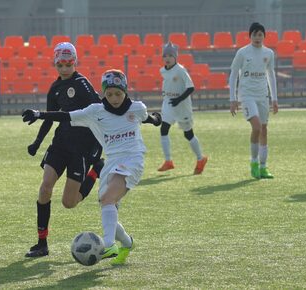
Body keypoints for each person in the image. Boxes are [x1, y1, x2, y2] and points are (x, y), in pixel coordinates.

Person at [23, 69, 162, 265]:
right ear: (104, 92)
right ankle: (127, 243)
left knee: (107, 200)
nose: (114, 98)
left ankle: (108, 245)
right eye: (110, 94)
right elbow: (66, 116)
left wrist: (157, 119)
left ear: (125, 92)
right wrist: (38, 114)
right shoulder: (95, 111)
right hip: (112, 161)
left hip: (132, 159)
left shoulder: (136, 107)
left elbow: (147, 117)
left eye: (118, 94)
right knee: (107, 205)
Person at [24, 42, 105, 258]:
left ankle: (97, 169)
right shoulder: (55, 88)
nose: (65, 67)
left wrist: (98, 145)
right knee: (45, 188)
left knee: (70, 203)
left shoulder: (82, 84)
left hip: (81, 148)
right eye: (60, 63)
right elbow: (50, 117)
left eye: (69, 63)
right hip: (60, 144)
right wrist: (37, 142)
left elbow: (98, 111)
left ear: (75, 62)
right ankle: (42, 243)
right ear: (55, 64)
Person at [229, 22, 278, 179]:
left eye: (260, 34)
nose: (258, 37)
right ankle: (254, 163)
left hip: (262, 96)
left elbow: (271, 75)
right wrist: (233, 98)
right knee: (256, 127)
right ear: (250, 36)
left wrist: (275, 98)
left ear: (264, 36)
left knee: (264, 130)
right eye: (255, 34)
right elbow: (234, 74)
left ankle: (263, 167)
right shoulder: (243, 53)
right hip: (247, 96)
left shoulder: (269, 53)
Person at [157, 42, 208, 174]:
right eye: (165, 55)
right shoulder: (162, 70)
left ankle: (200, 158)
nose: (167, 58)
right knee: (163, 129)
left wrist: (179, 99)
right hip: (169, 103)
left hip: (182, 106)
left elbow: (191, 87)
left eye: (170, 55)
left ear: (175, 57)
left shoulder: (180, 70)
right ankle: (168, 161)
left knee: (188, 134)